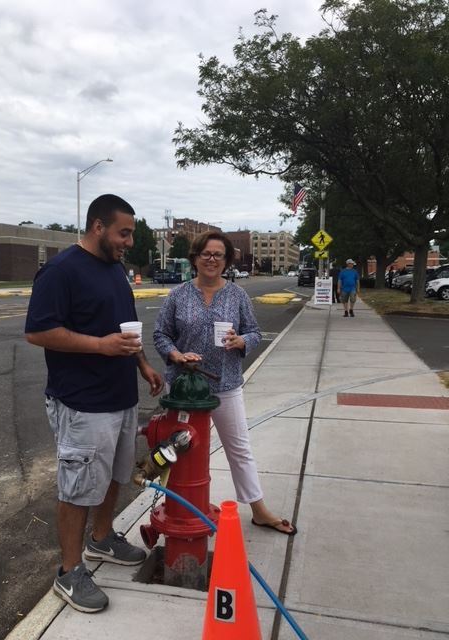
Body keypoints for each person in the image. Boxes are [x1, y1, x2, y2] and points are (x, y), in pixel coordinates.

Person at [25, 194, 164, 613]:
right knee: (79, 487)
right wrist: (99, 346)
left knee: (114, 476)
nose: (128, 241)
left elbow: (122, 327)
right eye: (123, 233)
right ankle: (69, 573)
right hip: (82, 403)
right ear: (98, 227)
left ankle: (102, 540)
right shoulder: (61, 271)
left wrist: (141, 363)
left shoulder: (116, 271)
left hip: (120, 397)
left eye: (132, 234)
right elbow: (38, 331)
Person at [153, 231, 297, 536]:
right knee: (178, 451)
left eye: (218, 254)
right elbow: (160, 335)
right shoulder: (178, 295)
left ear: (227, 260)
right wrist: (176, 354)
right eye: (205, 253)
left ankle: (259, 510)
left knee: (239, 448)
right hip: (183, 389)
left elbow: (254, 332)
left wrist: (240, 340)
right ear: (195, 258)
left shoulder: (237, 295)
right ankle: (175, 507)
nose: (211, 259)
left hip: (226, 384)